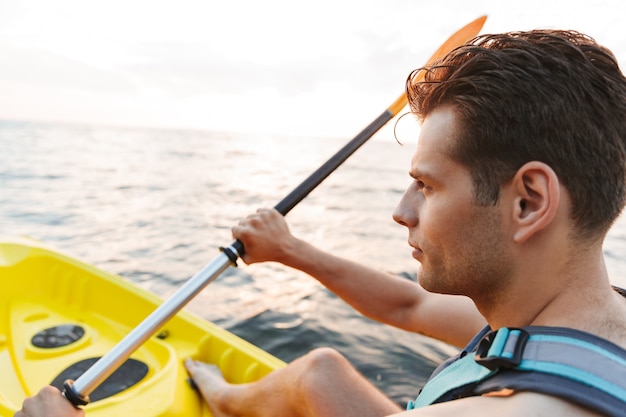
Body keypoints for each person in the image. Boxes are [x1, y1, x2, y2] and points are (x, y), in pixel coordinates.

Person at [14, 29, 626, 417]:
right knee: (322, 371)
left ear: (528, 202)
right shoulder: (584, 317)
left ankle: (222, 401)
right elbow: (408, 309)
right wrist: (288, 251)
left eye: (426, 184)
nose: (401, 211)